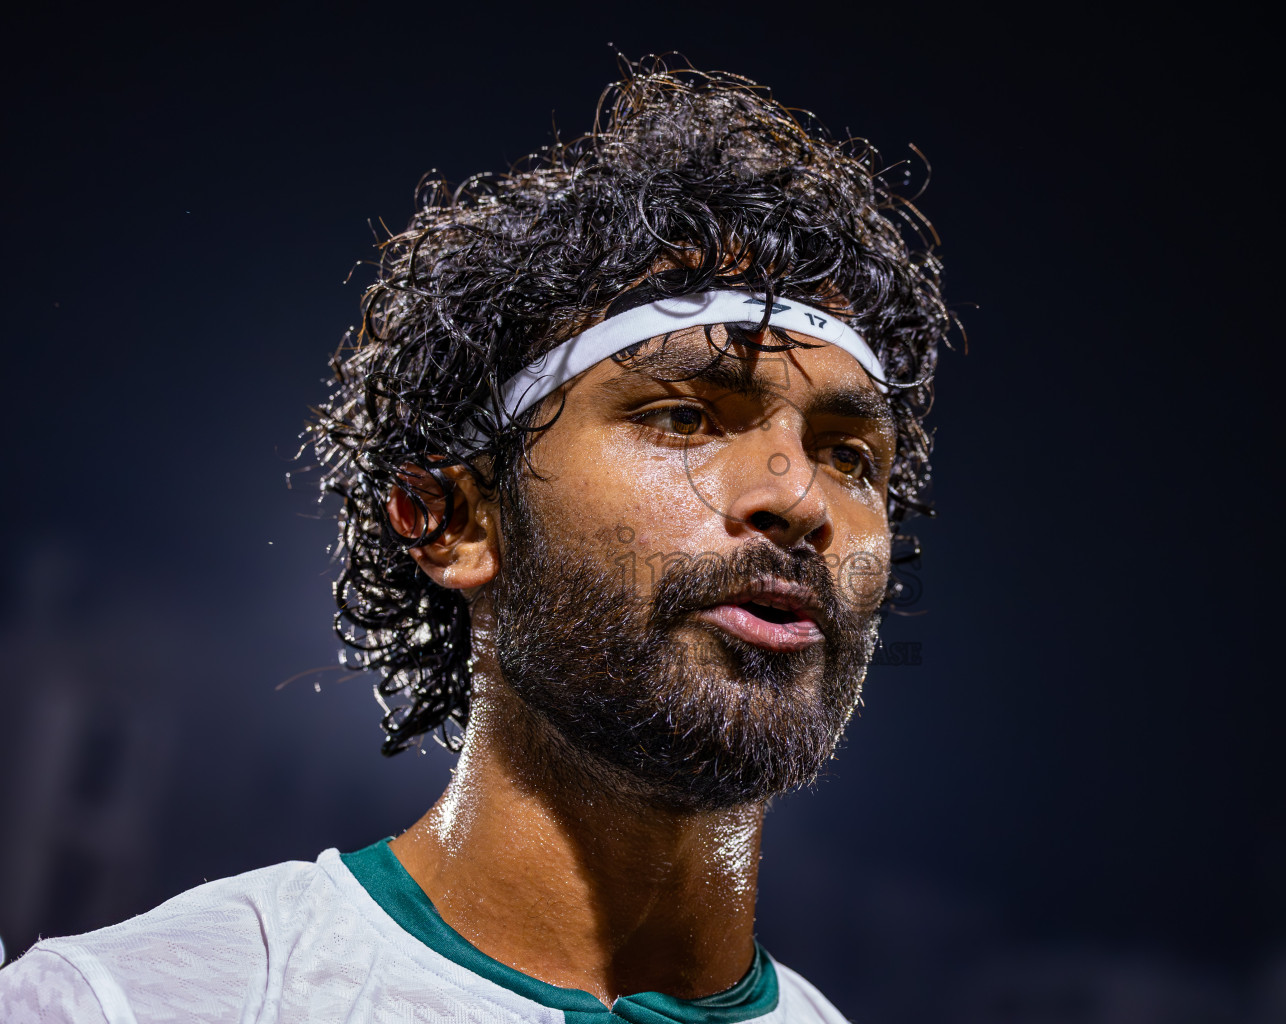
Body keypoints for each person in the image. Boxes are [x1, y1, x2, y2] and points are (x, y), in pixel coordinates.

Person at [0, 60, 951, 1023]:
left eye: (849, 455)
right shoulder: (130, 1005)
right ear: (455, 521)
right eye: (682, 417)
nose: (799, 496)